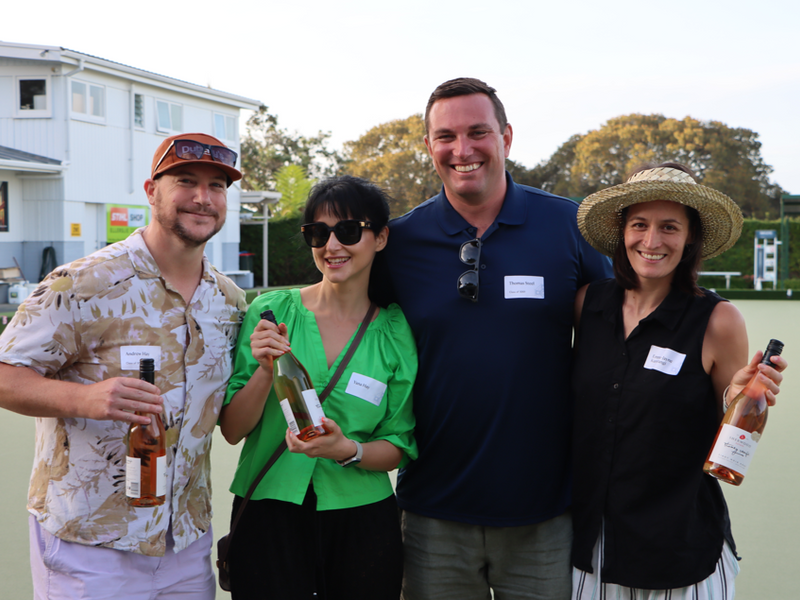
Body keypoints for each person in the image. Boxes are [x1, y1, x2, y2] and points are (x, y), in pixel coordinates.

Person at [372, 77, 613, 600]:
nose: (463, 150)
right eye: (445, 136)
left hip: (545, 516)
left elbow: (629, 324)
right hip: (432, 516)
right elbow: (342, 316)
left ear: (506, 136)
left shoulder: (570, 224)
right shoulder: (399, 242)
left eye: (478, 132)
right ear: (429, 147)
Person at [0, 132, 247, 599]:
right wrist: (82, 398)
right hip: (89, 544)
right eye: (186, 181)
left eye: (217, 186)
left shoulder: (228, 301)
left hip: (185, 545)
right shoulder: (82, 283)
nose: (203, 197)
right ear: (152, 191)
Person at [570, 162, 787, 599]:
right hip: (589, 549)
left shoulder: (719, 320)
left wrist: (741, 392)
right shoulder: (587, 304)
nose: (652, 241)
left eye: (669, 227)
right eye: (639, 224)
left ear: (690, 239)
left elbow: (733, 416)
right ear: (622, 232)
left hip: (678, 550)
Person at [220, 175, 417, 599]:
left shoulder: (396, 331)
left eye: (348, 231)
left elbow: (398, 444)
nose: (332, 246)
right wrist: (262, 369)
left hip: (362, 521)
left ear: (380, 238)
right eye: (318, 232)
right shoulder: (270, 312)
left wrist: (347, 450)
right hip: (268, 510)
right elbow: (234, 429)